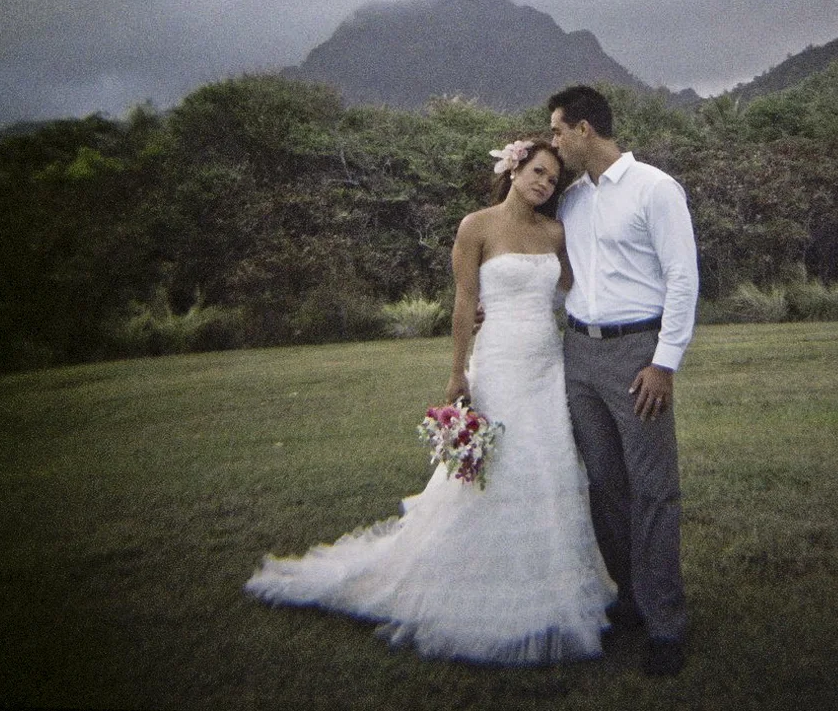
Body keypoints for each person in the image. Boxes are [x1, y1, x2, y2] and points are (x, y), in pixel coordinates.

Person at [244, 139, 614, 665]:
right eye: (536, 172)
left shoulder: (554, 232)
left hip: (546, 364)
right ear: (514, 170)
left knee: (549, 466)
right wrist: (457, 371)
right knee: (496, 467)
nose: (542, 184)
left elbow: (572, 291)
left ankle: (553, 593)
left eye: (552, 180)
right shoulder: (477, 226)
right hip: (500, 363)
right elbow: (464, 301)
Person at [548, 85, 698, 678]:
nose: (553, 142)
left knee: (653, 490)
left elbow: (682, 278)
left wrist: (664, 362)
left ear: (584, 130)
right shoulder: (571, 200)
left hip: (639, 353)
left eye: (557, 130)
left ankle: (667, 623)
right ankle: (630, 602)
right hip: (579, 353)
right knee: (606, 487)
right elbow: (561, 275)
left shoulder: (655, 189)